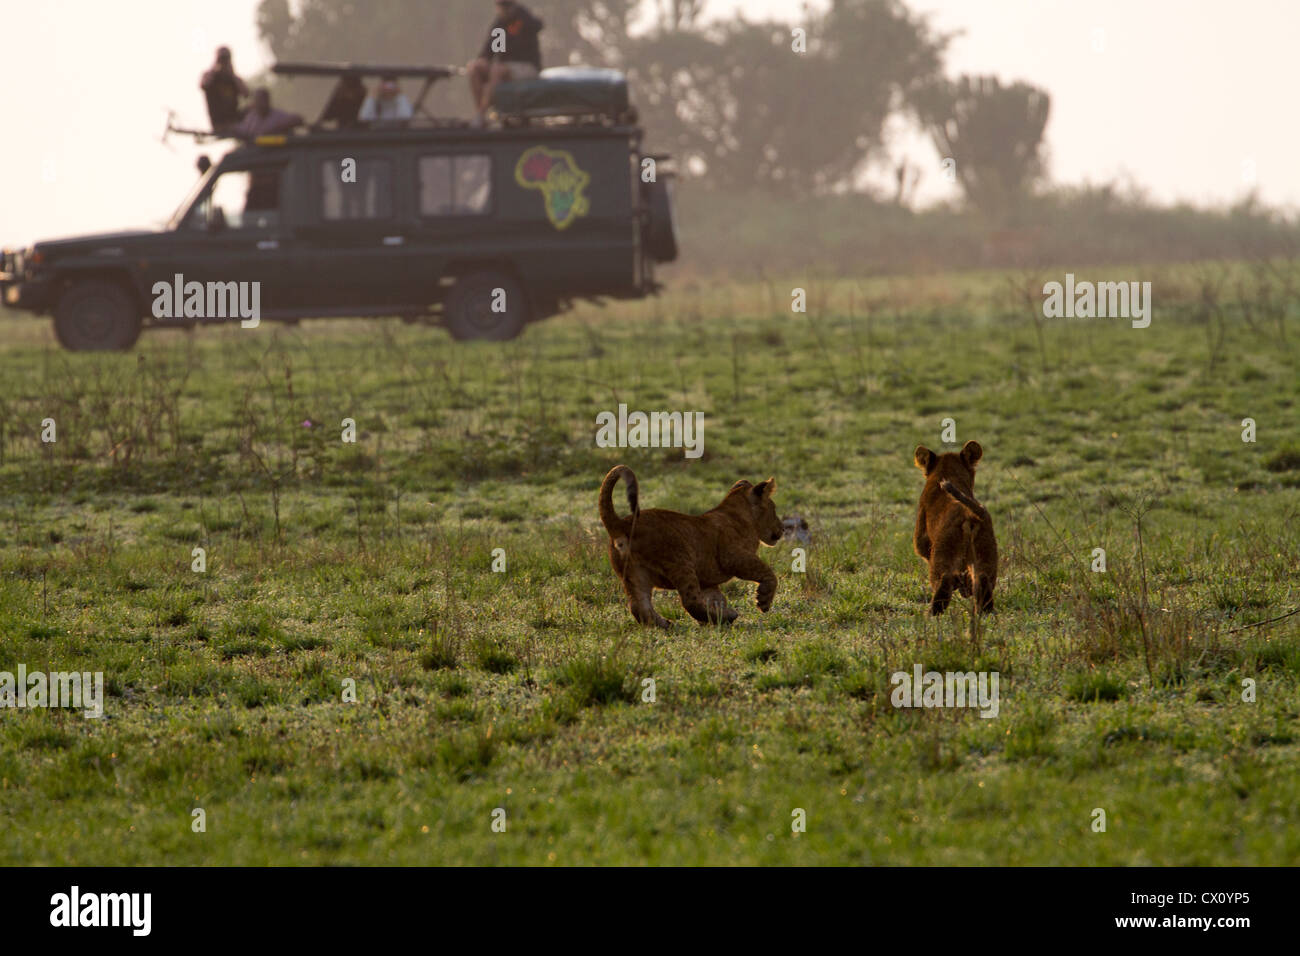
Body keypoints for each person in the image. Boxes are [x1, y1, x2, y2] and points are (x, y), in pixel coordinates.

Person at [467, 0, 544, 126]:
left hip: (527, 67)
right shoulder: (500, 24)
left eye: (507, 5)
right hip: (504, 69)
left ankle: (481, 113)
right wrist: (482, 60)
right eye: (500, 5)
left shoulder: (524, 19)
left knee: (497, 69)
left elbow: (538, 25)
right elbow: (490, 50)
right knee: (475, 67)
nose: (504, 9)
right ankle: (481, 117)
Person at [200, 46, 249, 134]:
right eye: (222, 60)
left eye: (226, 59)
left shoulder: (233, 79)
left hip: (234, 118)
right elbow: (204, 85)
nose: (224, 63)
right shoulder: (211, 77)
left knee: (256, 104)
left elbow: (246, 94)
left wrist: (232, 75)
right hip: (220, 123)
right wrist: (214, 67)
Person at [233, 88, 303, 138]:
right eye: (257, 100)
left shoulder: (277, 115)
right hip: (256, 153)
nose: (260, 103)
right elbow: (241, 130)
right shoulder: (251, 118)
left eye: (262, 100)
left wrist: (272, 129)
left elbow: (298, 119)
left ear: (268, 100)